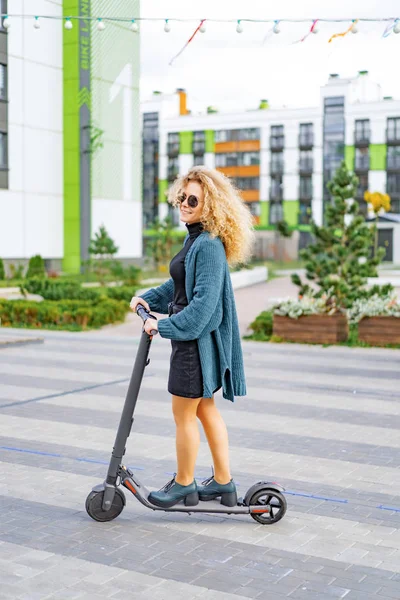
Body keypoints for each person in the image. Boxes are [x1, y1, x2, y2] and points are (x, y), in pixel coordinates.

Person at [130, 166, 254, 509]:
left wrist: (161, 325)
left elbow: (204, 311)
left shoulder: (209, 246)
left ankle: (185, 484)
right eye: (181, 197)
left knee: (184, 415)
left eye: (193, 199)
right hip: (194, 346)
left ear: (210, 204)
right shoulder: (196, 239)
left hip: (194, 349)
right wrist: (149, 299)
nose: (184, 203)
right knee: (205, 411)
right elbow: (179, 284)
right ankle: (223, 483)